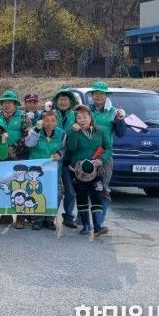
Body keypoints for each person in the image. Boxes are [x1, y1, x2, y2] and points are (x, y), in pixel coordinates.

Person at [65, 104, 112, 236]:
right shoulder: (72, 131)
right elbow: (72, 148)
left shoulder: (100, 131)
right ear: (75, 120)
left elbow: (108, 148)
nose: (82, 120)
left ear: (90, 117)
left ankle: (97, 227)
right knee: (82, 198)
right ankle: (85, 226)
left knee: (97, 197)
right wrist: (74, 133)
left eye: (85, 117)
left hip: (96, 172)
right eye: (79, 118)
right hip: (79, 173)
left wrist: (101, 159)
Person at [87, 81, 127, 220]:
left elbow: (121, 133)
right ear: (92, 95)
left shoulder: (114, 112)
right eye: (95, 93)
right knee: (84, 188)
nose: (98, 96)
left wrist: (120, 120)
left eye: (101, 93)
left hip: (104, 157)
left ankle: (99, 221)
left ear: (106, 95)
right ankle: (82, 218)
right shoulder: (87, 110)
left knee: (102, 189)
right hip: (86, 154)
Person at [24, 110, 66, 230]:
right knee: (37, 194)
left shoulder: (62, 134)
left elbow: (65, 149)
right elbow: (29, 144)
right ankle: (38, 220)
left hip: (54, 171)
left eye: (53, 120)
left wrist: (60, 153)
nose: (50, 123)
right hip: (37, 172)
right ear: (42, 121)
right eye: (47, 120)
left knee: (56, 195)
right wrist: (37, 130)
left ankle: (50, 219)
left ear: (56, 122)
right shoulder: (34, 130)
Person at [0, 90, 31, 227]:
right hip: (2, 157)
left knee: (21, 186)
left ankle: (21, 217)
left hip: (19, 157)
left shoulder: (23, 117)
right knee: (5, 185)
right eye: (5, 102)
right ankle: (6, 215)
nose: (7, 105)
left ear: (15, 104)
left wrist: (14, 148)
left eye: (10, 102)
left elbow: (28, 136)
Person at [51, 87, 80, 228]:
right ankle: (49, 216)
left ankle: (68, 216)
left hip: (69, 159)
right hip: (52, 159)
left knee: (70, 190)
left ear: (71, 101)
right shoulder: (50, 114)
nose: (63, 102)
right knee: (52, 189)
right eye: (60, 99)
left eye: (65, 99)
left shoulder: (76, 116)